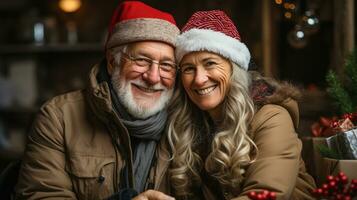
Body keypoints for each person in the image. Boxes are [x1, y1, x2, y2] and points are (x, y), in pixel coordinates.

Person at [15, 1, 179, 200]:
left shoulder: (186, 119)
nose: (153, 77)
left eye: (166, 65)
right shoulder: (58, 118)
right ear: (112, 62)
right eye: (142, 60)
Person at [167, 10, 316, 200]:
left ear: (233, 69)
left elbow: (266, 195)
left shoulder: (271, 117)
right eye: (189, 68)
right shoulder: (189, 120)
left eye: (210, 63)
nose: (199, 79)